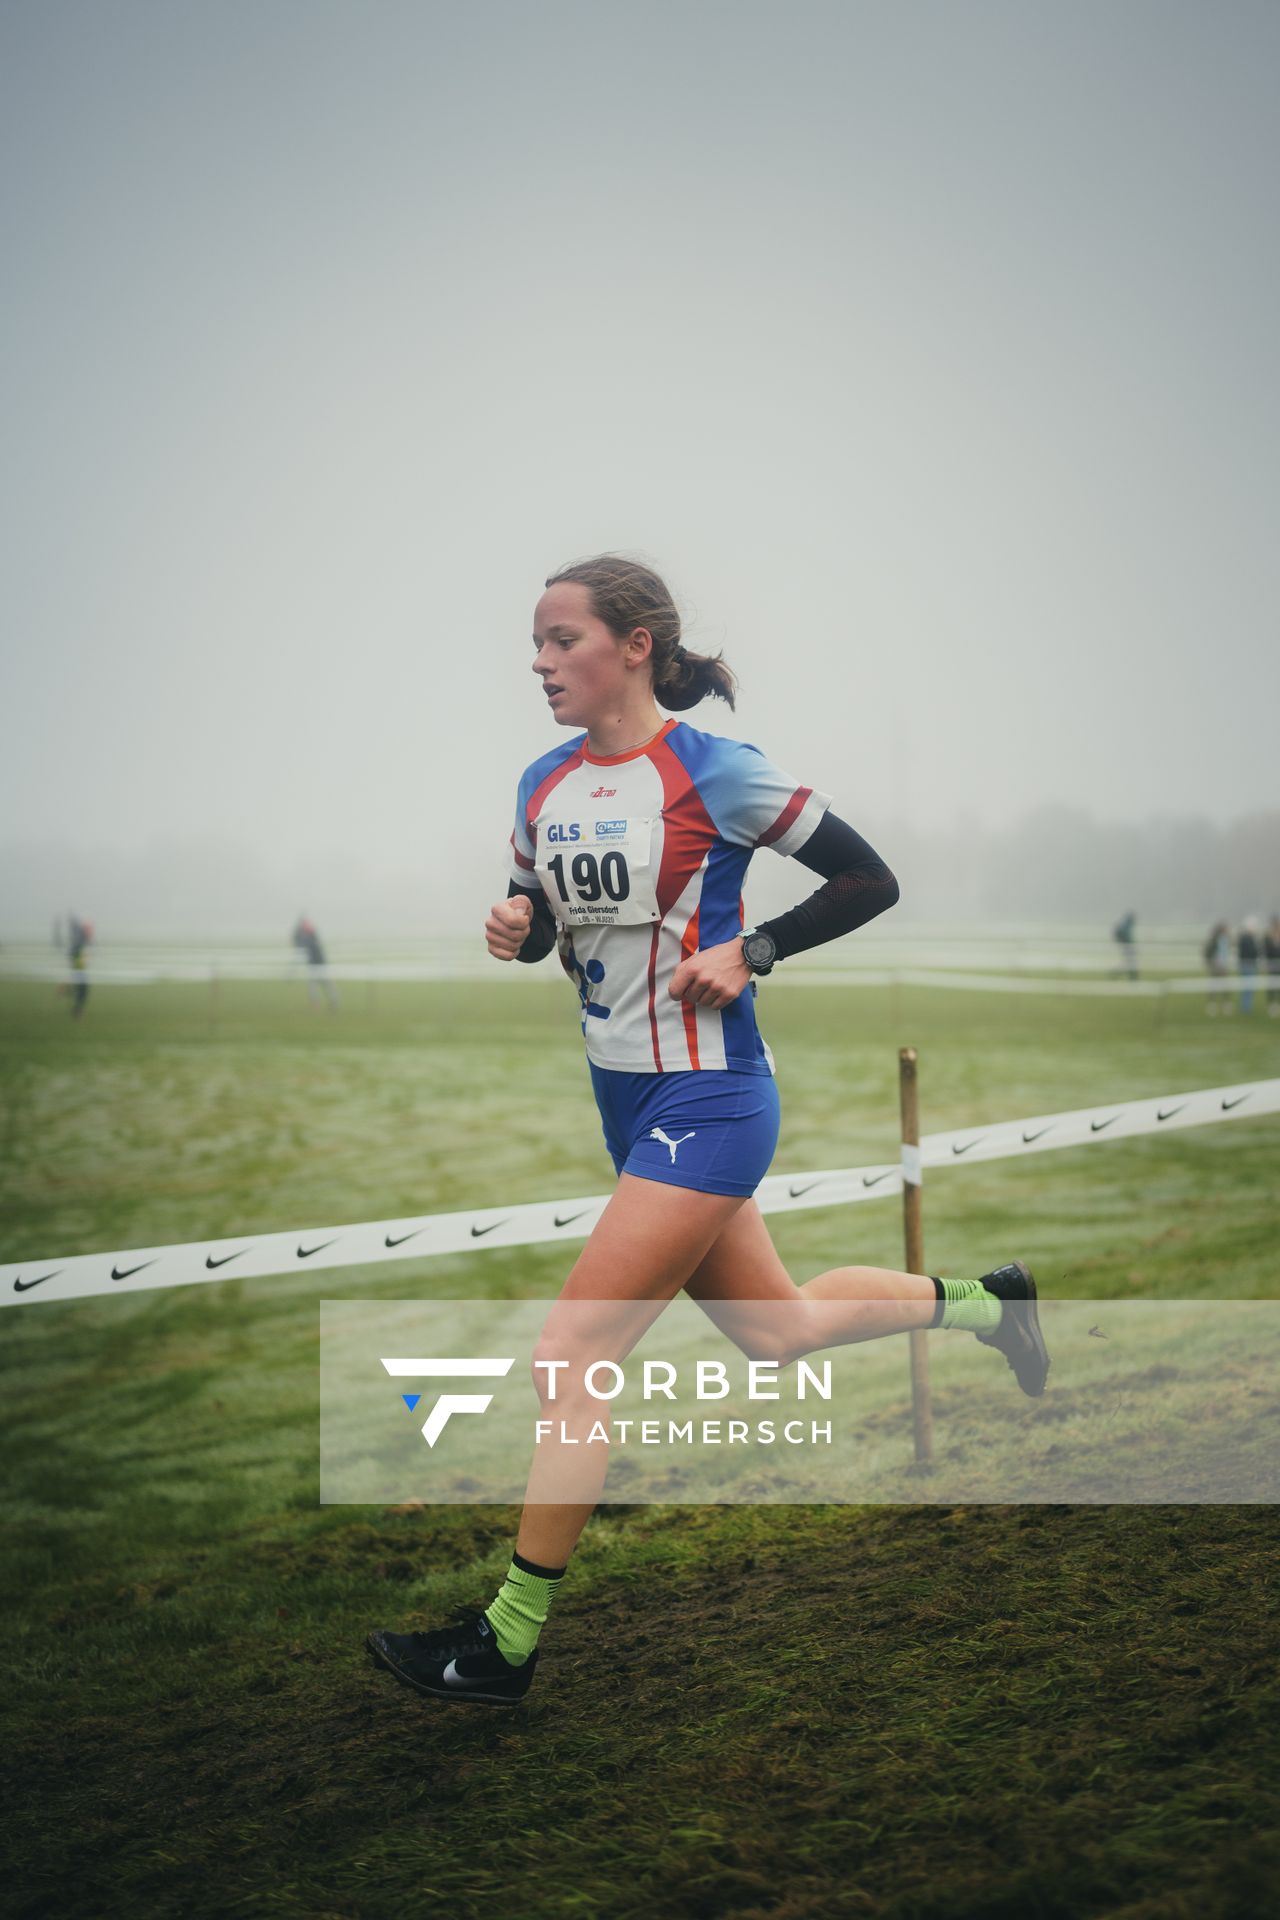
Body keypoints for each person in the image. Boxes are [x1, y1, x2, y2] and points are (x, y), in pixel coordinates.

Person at [367, 554, 1049, 1708]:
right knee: (773, 1332)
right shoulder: (540, 782)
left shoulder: (714, 770)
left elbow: (867, 879)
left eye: (561, 640)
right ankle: (989, 1304)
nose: (539, 664)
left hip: (712, 1099)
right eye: (533, 645)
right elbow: (548, 918)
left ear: (634, 646)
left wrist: (756, 950)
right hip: (624, 1103)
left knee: (569, 1358)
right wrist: (515, 923)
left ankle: (505, 1642)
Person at [291, 916, 338, 1009]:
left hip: (318, 966)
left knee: (318, 985)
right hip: (318, 965)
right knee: (317, 986)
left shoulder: (309, 939)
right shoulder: (312, 938)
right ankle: (325, 1002)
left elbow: (301, 947)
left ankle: (326, 1002)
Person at [1203, 920, 1232, 1016]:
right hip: (1215, 966)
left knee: (1225, 986)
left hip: (1223, 965)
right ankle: (1212, 1005)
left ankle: (1226, 1004)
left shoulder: (1225, 939)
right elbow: (1207, 953)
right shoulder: (1214, 940)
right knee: (1214, 985)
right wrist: (1211, 962)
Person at [1237, 915, 1261, 1014]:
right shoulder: (1247, 939)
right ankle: (1246, 1007)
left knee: (1248, 988)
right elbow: (1251, 952)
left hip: (1248, 964)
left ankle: (1247, 1007)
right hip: (1247, 964)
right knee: (1247, 988)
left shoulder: (1246, 938)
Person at [1112, 910, 1138, 982]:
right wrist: (1127, 943)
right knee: (1130, 962)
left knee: (1129, 962)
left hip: (1126, 945)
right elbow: (1125, 935)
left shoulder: (1125, 924)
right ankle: (1132, 977)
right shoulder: (1126, 924)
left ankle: (1132, 977)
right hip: (1127, 945)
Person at [1265, 915, 1280, 1019]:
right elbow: (1267, 951)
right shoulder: (1268, 937)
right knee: (1271, 985)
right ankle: (1271, 1004)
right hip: (1272, 964)